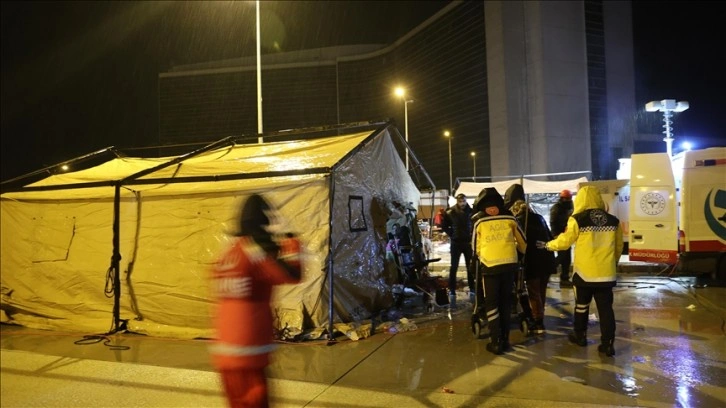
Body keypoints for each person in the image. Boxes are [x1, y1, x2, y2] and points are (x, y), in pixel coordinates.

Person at [210, 194, 303, 408]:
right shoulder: (254, 251)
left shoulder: (228, 253)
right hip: (248, 349)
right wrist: (293, 247)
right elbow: (291, 275)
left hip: (225, 349)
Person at [537, 185, 623, 357]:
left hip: (584, 274)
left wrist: (547, 245)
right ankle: (608, 345)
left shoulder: (577, 219)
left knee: (582, 306)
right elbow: (618, 247)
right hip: (606, 274)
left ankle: (580, 335)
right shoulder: (613, 221)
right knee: (606, 309)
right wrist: (611, 264)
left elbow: (564, 242)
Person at [472, 187, 527, 355]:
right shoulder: (510, 218)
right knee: (505, 301)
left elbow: (474, 247)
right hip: (509, 265)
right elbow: (523, 241)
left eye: (493, 206)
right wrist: (519, 253)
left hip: (490, 267)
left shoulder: (479, 222)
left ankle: (496, 342)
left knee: (491, 303)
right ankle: (505, 339)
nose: (491, 209)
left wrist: (479, 257)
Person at [510, 199, 556, 335]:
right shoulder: (540, 218)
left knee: (534, 293)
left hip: (532, 260)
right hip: (546, 259)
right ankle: (540, 316)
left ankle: (538, 322)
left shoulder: (518, 221)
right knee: (541, 291)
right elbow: (550, 236)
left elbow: (519, 242)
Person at [442, 193, 474, 307]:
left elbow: (475, 225)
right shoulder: (450, 212)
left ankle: (472, 288)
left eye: (464, 201)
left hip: (468, 242)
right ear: (457, 201)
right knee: (453, 266)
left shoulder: (471, 211)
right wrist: (452, 234)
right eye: (460, 201)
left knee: (470, 266)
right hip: (456, 243)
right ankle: (452, 289)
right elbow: (444, 225)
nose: (462, 203)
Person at [550, 189, 574, 287]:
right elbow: (553, 222)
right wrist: (556, 235)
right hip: (558, 235)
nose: (568, 200)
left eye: (569, 198)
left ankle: (564, 279)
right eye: (567, 198)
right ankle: (547, 269)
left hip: (566, 235)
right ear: (562, 198)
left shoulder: (569, 206)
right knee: (562, 256)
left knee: (567, 258)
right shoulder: (557, 208)